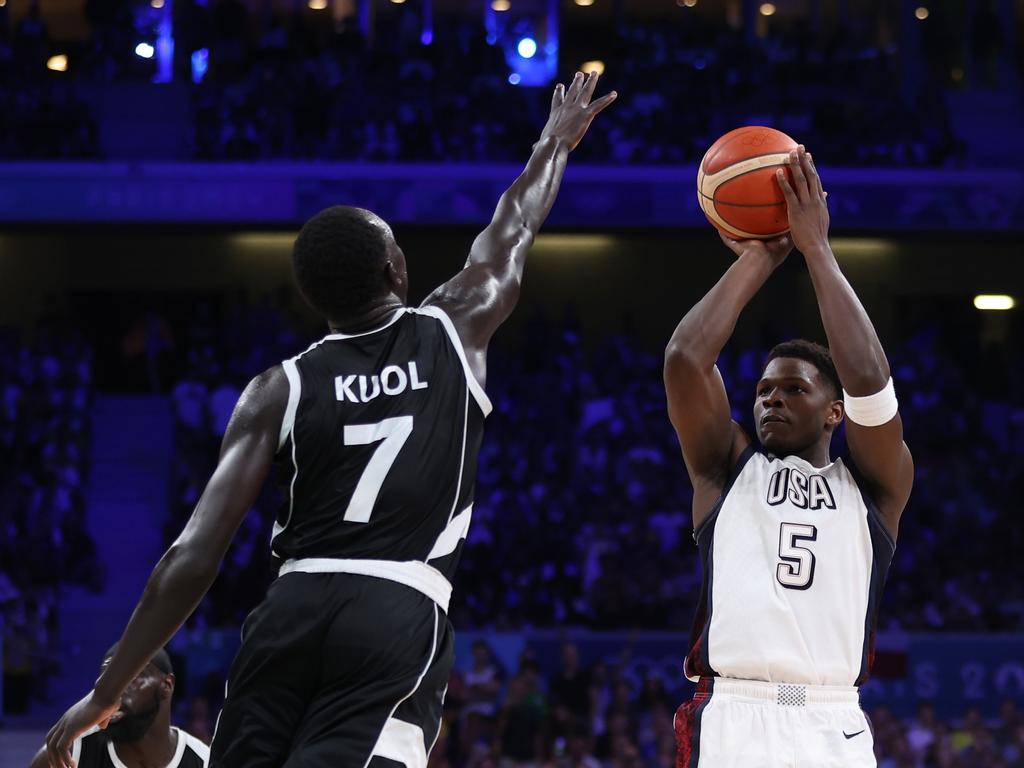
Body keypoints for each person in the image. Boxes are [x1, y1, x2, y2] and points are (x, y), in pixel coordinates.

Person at [42, 71, 615, 768]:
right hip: (395, 606)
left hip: (290, 610)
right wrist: (553, 143)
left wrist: (103, 691)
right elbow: (514, 226)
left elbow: (192, 555)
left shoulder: (276, 388)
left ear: (315, 298)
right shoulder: (452, 327)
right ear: (395, 270)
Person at [663, 146, 914, 767]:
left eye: (795, 389)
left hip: (834, 719)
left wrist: (817, 251)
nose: (772, 399)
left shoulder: (875, 486)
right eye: (764, 390)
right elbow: (684, 361)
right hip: (734, 712)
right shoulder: (726, 467)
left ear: (835, 412)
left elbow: (873, 388)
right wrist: (764, 253)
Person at [31, 646, 208, 768]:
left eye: (130, 678)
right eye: (106, 681)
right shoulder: (71, 753)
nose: (113, 691)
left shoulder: (203, 760)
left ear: (167, 685)